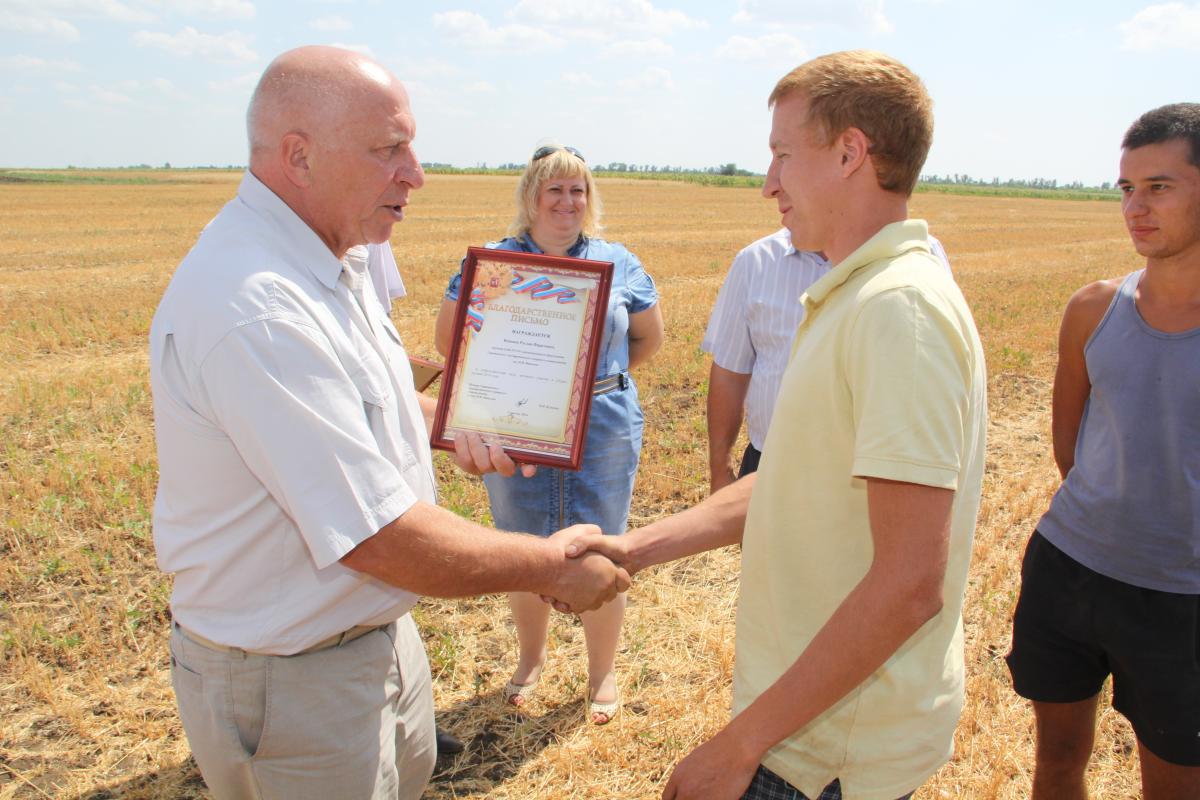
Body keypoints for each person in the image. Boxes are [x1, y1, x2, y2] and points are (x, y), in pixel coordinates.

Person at [149, 46, 628, 800]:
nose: (416, 173)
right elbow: (378, 537)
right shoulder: (258, 306)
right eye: (389, 149)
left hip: (368, 646)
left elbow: (365, 404)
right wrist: (549, 568)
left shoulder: (332, 261)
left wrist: (452, 421)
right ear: (298, 157)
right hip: (295, 681)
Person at [565, 50, 987, 800]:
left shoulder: (898, 311)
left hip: (826, 752)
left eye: (783, 156)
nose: (768, 184)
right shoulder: (854, 295)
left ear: (850, 153)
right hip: (807, 718)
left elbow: (909, 582)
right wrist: (632, 546)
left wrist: (740, 747)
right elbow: (785, 484)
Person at [1005, 103, 1200, 800]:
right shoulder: (1092, 308)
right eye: (1126, 188)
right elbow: (1070, 445)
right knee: (1056, 764)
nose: (1136, 208)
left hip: (1182, 599)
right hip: (1069, 570)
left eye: (1159, 187)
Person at [433, 144, 665, 724]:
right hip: (517, 423)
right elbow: (450, 340)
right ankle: (530, 662)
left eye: (578, 190)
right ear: (531, 195)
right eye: (555, 189)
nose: (568, 201)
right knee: (524, 545)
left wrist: (583, 383)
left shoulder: (621, 262)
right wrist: (533, 389)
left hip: (605, 423)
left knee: (604, 545)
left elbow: (648, 340)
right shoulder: (492, 263)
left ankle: (601, 672)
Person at [703, 228, 953, 492]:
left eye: (785, 182)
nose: (771, 189)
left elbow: (938, 382)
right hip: (769, 468)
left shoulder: (923, 257)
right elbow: (730, 372)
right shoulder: (755, 261)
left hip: (868, 479)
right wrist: (721, 470)